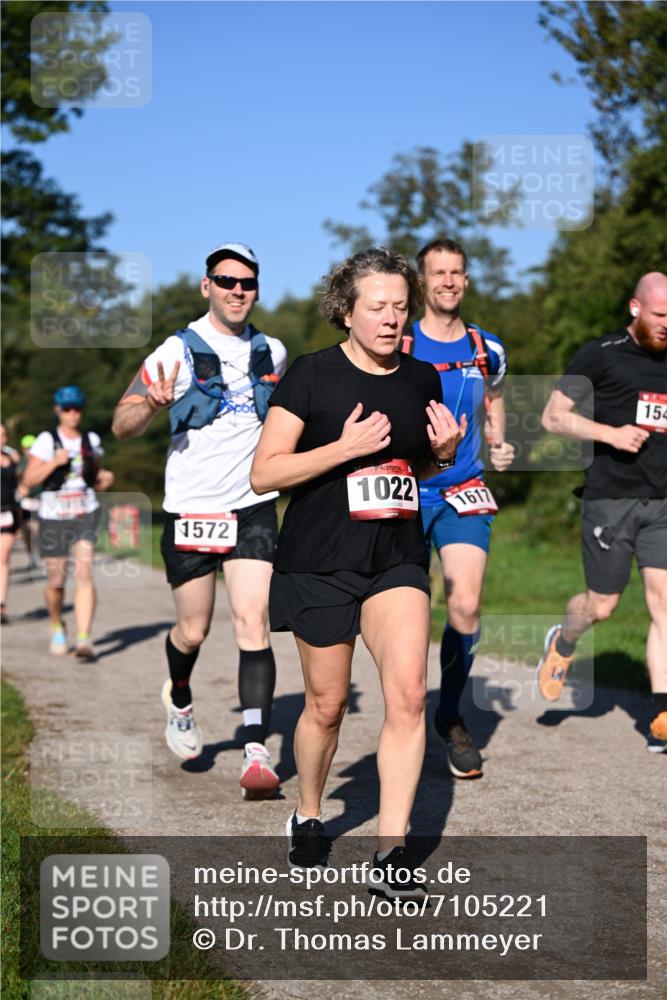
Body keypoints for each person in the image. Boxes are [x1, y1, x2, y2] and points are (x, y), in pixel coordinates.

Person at [250, 247, 465, 893]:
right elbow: (264, 473)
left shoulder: (421, 378)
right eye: (377, 308)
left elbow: (415, 469)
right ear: (345, 311)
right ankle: (310, 810)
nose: (391, 319)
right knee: (327, 704)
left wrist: (443, 455)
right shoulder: (310, 377)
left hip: (394, 556)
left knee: (405, 697)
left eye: (400, 307)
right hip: (319, 561)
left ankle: (390, 854)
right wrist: (340, 448)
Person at [112, 242, 287, 797]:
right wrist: (150, 405)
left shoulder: (273, 352)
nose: (238, 290)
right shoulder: (176, 350)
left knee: (253, 621)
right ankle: (181, 700)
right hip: (191, 508)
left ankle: (256, 752)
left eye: (247, 283)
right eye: (227, 280)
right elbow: (121, 423)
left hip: (252, 504)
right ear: (206, 285)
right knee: (193, 630)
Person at [539, 271, 667, 750]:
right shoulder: (601, 353)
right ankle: (565, 640)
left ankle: (660, 714)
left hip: (662, 501)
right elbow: (553, 415)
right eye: (659, 315)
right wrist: (611, 435)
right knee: (602, 605)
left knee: (664, 602)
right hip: (610, 499)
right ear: (636, 309)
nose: (666, 324)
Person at [404, 238, 514, 778]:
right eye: (438, 273)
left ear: (466, 281)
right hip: (404, 489)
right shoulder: (399, 344)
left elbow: (492, 398)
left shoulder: (484, 346)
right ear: (423, 283)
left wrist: (498, 440)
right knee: (403, 613)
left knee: (465, 605)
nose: (448, 281)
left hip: (463, 491)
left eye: (457, 273)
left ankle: (448, 715)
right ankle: (404, 711)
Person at [23, 386, 114, 658]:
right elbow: (28, 481)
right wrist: (53, 463)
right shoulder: (46, 440)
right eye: (67, 409)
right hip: (53, 516)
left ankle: (84, 637)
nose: (72, 414)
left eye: (76, 409)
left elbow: (94, 477)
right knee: (56, 579)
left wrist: (105, 479)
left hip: (85, 512)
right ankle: (56, 624)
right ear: (58, 410)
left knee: (85, 572)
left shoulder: (91, 440)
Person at [1, 423, 22, 624]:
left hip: (7, 511)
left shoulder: (13, 459)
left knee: (3, 557)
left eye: (3, 435)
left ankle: (1, 604)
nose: (1, 439)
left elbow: (22, 483)